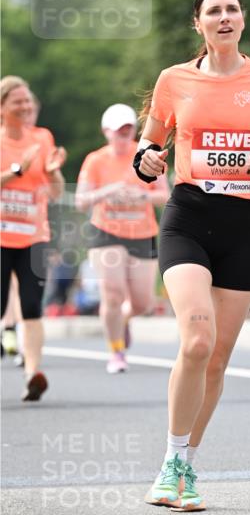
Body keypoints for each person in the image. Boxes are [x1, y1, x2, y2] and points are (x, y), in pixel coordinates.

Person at [135, 0, 250, 511]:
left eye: (232, 9)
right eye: (213, 11)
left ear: (242, 20)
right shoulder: (173, 80)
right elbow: (149, 143)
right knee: (197, 342)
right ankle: (169, 462)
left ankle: (188, 466)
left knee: (218, 358)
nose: (224, 17)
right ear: (199, 25)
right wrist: (147, 159)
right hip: (188, 217)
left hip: (243, 224)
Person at [75, 104, 170, 373]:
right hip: (106, 232)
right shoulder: (96, 160)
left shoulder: (146, 156)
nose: (124, 136)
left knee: (142, 302)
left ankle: (124, 320)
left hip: (142, 233)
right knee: (113, 293)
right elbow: (81, 201)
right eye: (118, 131)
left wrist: (142, 196)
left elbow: (165, 195)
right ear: (106, 132)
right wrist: (109, 191)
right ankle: (116, 351)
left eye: (128, 130)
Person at [0, 76, 66, 400]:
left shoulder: (42, 137)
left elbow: (55, 192)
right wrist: (15, 171)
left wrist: (53, 173)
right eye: (18, 102)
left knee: (31, 305)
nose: (26, 107)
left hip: (34, 236)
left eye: (28, 101)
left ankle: (32, 374)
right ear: (2, 108)